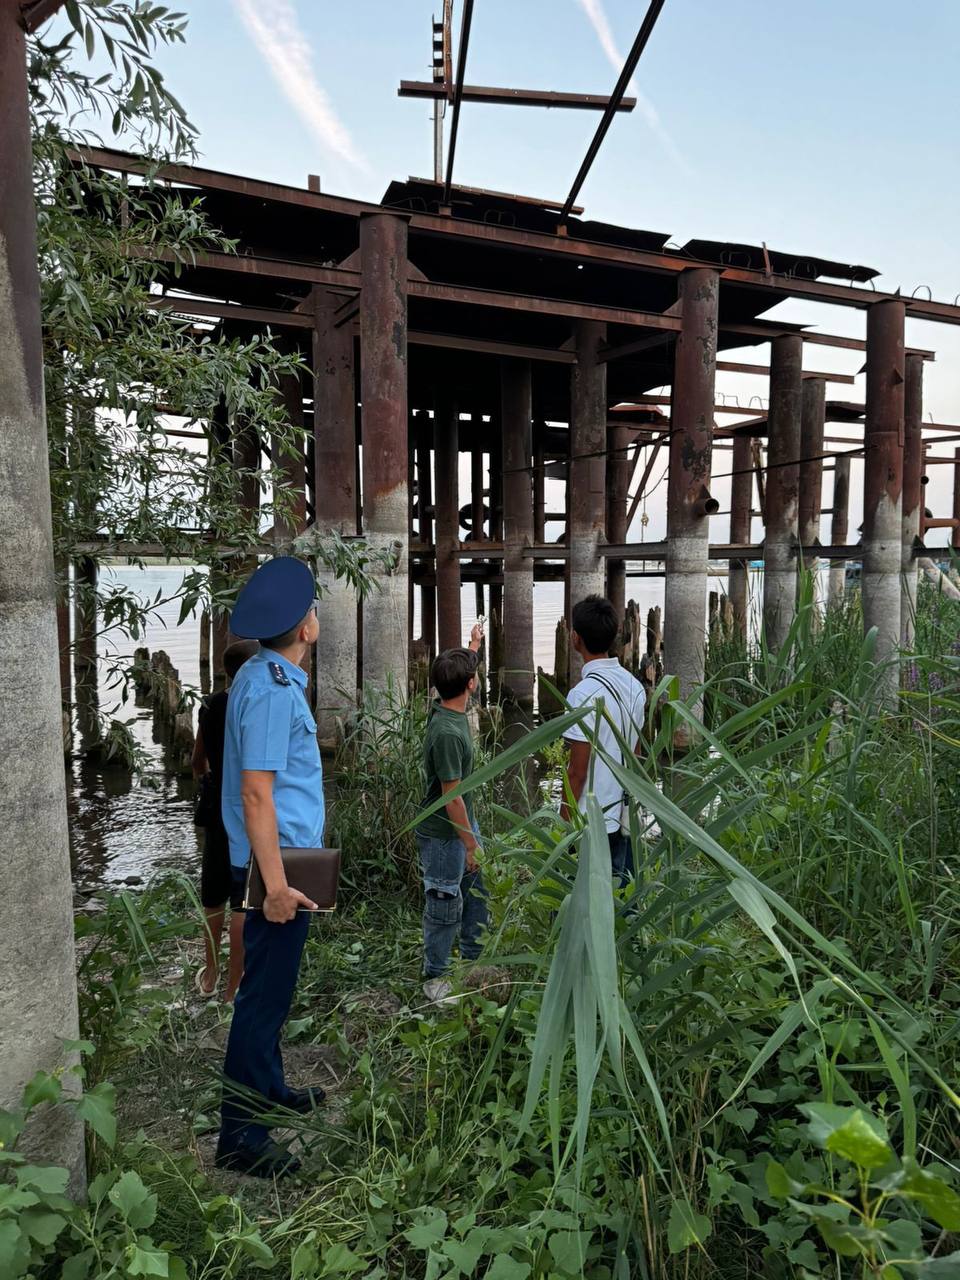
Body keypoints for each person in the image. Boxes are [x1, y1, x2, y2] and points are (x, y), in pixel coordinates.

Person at [214, 557, 326, 1180]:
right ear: (304, 628)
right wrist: (276, 887)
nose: (316, 616)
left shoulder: (264, 675)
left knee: (274, 993)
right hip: (273, 870)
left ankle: (270, 1089)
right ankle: (240, 1134)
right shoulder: (272, 690)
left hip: (282, 861)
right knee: (260, 999)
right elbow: (257, 793)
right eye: (314, 609)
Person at [415, 625, 487, 1004]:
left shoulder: (447, 705)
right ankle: (437, 976)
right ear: (472, 685)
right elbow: (452, 797)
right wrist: (471, 844)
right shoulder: (447, 733)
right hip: (446, 831)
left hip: (461, 825)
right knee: (444, 901)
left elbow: (460, 669)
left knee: (477, 893)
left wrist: (473, 645)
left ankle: (475, 960)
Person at [560, 596, 646, 884]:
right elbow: (635, 756)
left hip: (591, 821)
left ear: (575, 639)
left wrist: (562, 825)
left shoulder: (582, 694)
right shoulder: (634, 686)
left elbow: (577, 772)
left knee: (585, 906)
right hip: (624, 815)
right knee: (621, 903)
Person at [192, 639, 259, 1001]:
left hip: (216, 801)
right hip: (246, 804)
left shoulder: (212, 703)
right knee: (241, 901)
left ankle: (210, 975)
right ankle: (234, 987)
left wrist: (206, 777)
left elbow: (196, 760)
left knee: (212, 895)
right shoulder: (253, 703)